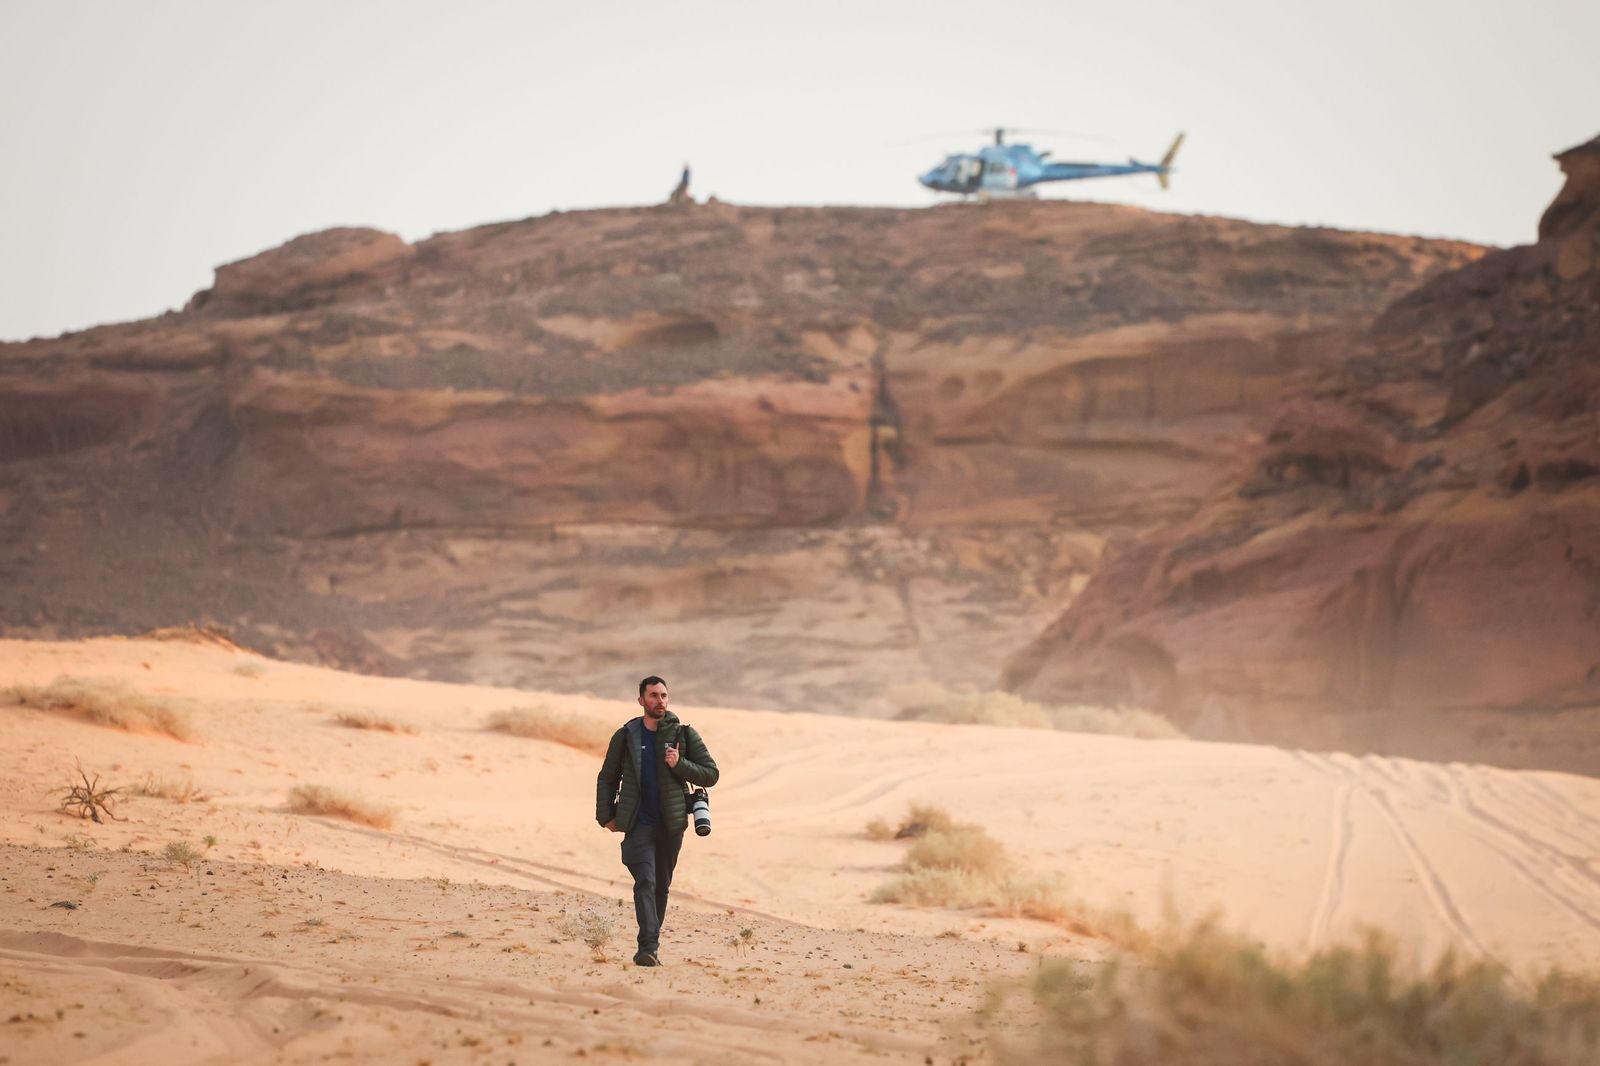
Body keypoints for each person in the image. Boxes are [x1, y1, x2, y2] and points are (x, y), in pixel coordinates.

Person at [595, 675, 718, 966]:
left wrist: (680, 764)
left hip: (671, 824)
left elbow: (710, 774)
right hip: (639, 823)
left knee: (661, 886)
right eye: (653, 696)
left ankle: (651, 943)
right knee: (645, 882)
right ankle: (647, 947)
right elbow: (608, 777)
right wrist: (606, 816)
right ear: (641, 700)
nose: (659, 701)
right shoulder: (627, 735)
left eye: (663, 695)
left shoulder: (684, 734)